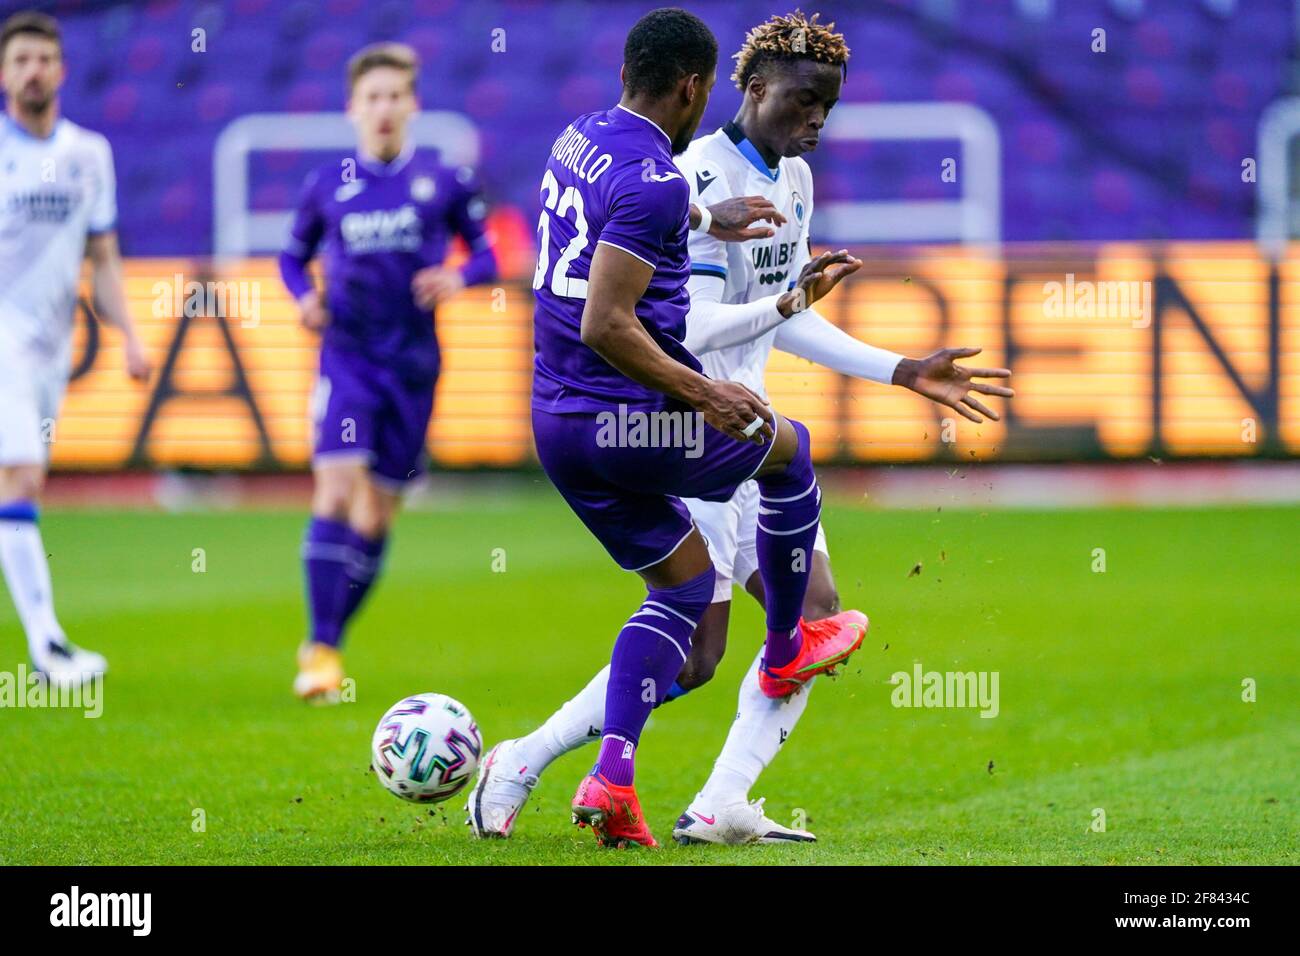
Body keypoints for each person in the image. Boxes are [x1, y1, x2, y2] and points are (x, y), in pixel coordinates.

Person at [469, 11, 1012, 847]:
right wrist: (772, 314)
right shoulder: (686, 170)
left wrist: (898, 369)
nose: (815, 121)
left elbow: (775, 322)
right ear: (743, 89)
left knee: (813, 612)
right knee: (697, 655)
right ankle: (527, 759)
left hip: (729, 418)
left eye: (827, 107)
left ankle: (720, 801)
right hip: (690, 420)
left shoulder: (788, 183)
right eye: (803, 102)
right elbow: (691, 327)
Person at [278, 43, 497, 701]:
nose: (382, 108)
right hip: (346, 358)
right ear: (353, 109)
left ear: (412, 105)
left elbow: (486, 254)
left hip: (413, 366)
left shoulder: (444, 181)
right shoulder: (326, 185)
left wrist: (458, 276)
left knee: (377, 517)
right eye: (371, 98)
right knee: (336, 493)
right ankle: (322, 648)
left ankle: (329, 636)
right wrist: (306, 298)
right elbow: (291, 260)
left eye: (393, 96)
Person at [0, 11, 151, 687]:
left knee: (22, 485)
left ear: (61, 71)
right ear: (5, 74)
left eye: (43, 59)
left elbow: (105, 260)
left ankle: (47, 644)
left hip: (52, 345)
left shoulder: (90, 154)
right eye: (20, 59)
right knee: (19, 478)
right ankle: (49, 646)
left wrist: (130, 332)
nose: (33, 70)